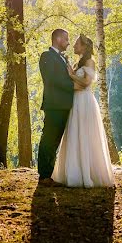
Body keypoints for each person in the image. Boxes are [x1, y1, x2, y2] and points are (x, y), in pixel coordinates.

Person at [52, 34, 115, 188]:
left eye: (76, 44)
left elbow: (87, 82)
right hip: (76, 101)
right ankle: (75, 172)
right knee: (75, 133)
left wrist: (72, 75)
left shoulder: (89, 61)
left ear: (84, 47)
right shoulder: (78, 63)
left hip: (85, 102)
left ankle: (88, 174)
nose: (73, 46)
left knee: (86, 134)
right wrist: (72, 76)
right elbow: (77, 83)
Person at [37, 28, 74, 186]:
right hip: (54, 105)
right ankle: (44, 175)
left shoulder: (62, 58)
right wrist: (74, 85)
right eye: (66, 39)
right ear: (58, 39)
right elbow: (52, 80)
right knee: (49, 139)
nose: (68, 42)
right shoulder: (47, 56)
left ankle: (49, 175)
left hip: (63, 105)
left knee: (55, 141)